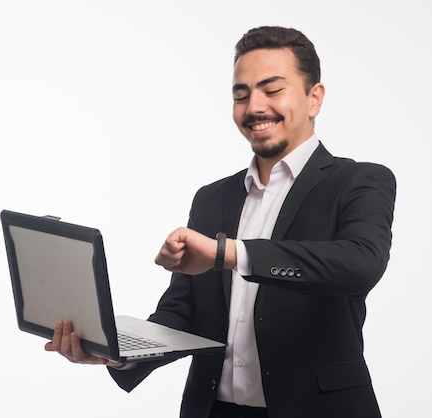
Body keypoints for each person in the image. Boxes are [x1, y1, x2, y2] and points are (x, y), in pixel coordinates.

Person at [46, 26, 396, 418]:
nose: (253, 107)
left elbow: (360, 263)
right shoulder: (212, 198)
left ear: (315, 98)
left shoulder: (359, 180)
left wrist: (228, 254)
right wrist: (116, 351)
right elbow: (182, 314)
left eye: (272, 89)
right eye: (241, 94)